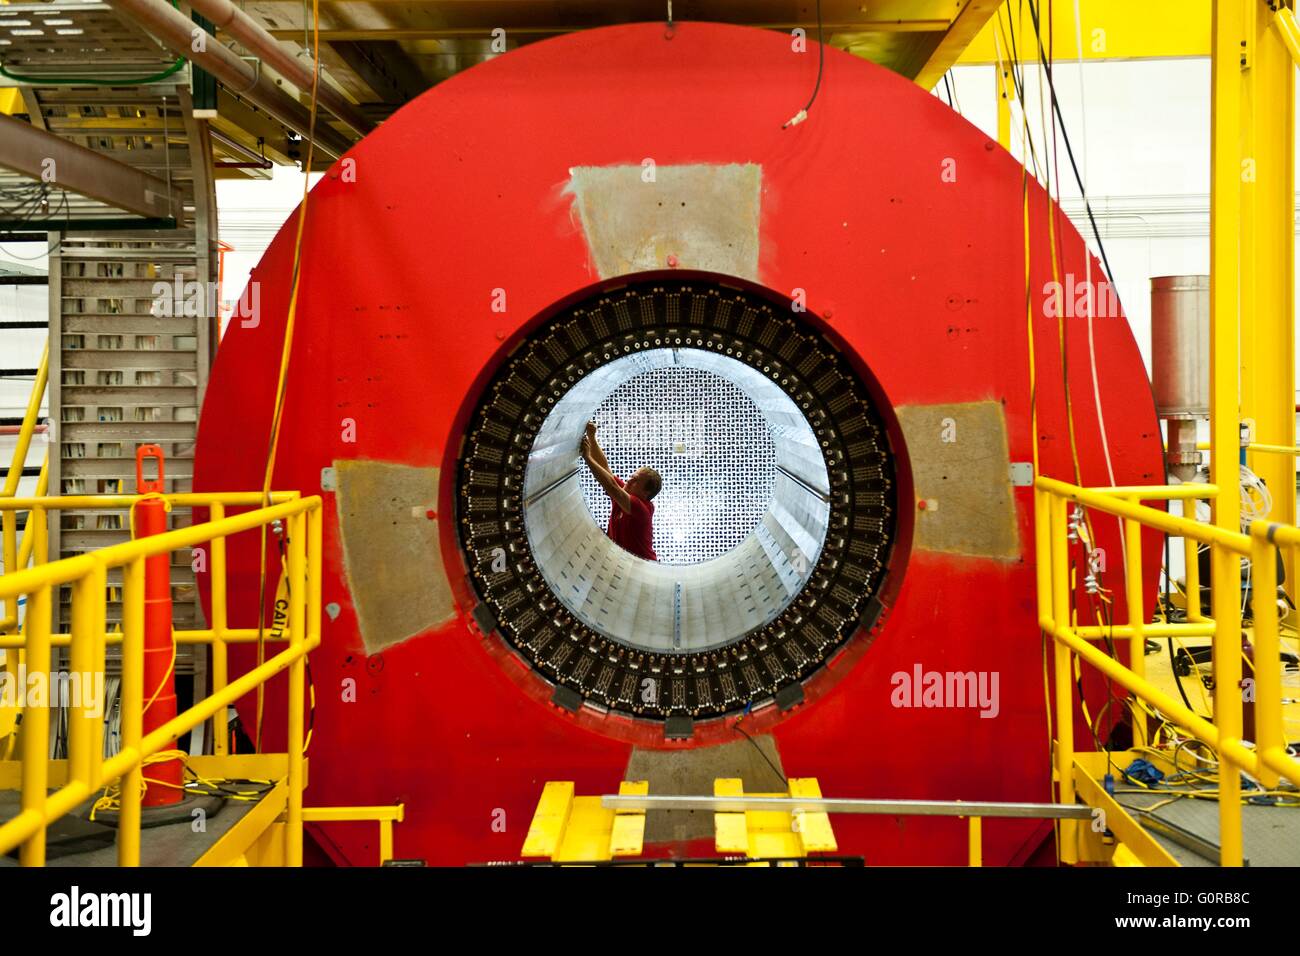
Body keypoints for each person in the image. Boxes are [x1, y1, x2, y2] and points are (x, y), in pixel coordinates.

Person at [579, 420, 660, 561]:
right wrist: (592, 437)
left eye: (635, 480)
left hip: (643, 565)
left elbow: (611, 486)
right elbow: (605, 468)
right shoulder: (626, 492)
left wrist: (587, 458)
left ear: (645, 493)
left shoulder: (641, 508)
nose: (629, 480)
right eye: (631, 476)